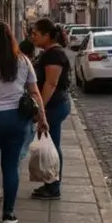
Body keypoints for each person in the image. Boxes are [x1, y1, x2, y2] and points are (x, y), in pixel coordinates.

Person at [0, 23, 49, 223]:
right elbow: (34, 92)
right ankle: (8, 213)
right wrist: (43, 119)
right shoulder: (23, 61)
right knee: (11, 167)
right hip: (16, 120)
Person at [30, 18, 72, 200]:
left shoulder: (54, 55)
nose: (32, 37)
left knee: (52, 146)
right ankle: (50, 182)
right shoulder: (48, 53)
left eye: (35, 34)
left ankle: (54, 186)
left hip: (53, 105)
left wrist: (41, 108)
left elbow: (51, 83)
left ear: (46, 35)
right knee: (51, 144)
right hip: (53, 104)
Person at [18, 39, 38, 164]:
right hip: (27, 108)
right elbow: (34, 91)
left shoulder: (23, 63)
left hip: (24, 108)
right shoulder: (28, 64)